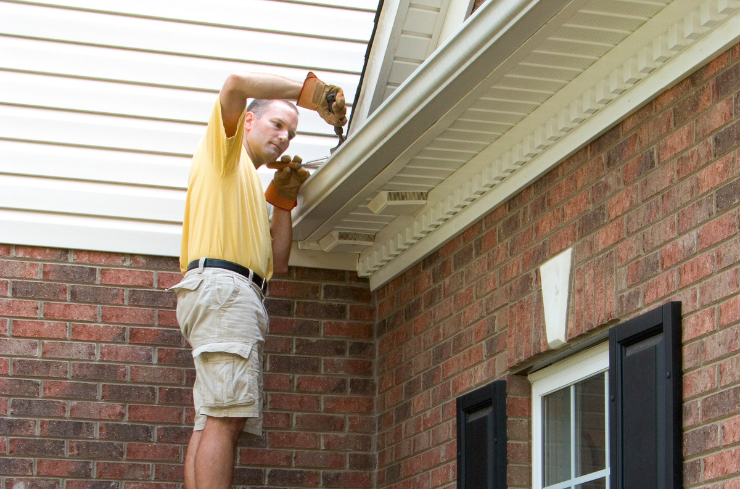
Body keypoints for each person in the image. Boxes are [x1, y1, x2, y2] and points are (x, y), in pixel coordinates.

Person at [170, 71, 347, 489]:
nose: (285, 137)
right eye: (278, 124)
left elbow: (278, 262)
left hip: (227, 293)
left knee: (212, 418)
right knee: (225, 419)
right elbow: (234, 85)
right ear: (248, 122)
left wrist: (282, 199)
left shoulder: (247, 180)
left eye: (292, 133)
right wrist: (313, 95)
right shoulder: (225, 151)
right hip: (224, 291)